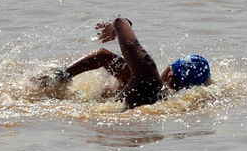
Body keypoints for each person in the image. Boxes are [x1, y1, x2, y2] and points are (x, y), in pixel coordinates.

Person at [38, 17, 211, 109]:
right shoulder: (165, 99)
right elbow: (104, 57)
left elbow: (127, 39)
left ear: (171, 73)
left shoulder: (148, 80)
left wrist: (119, 23)